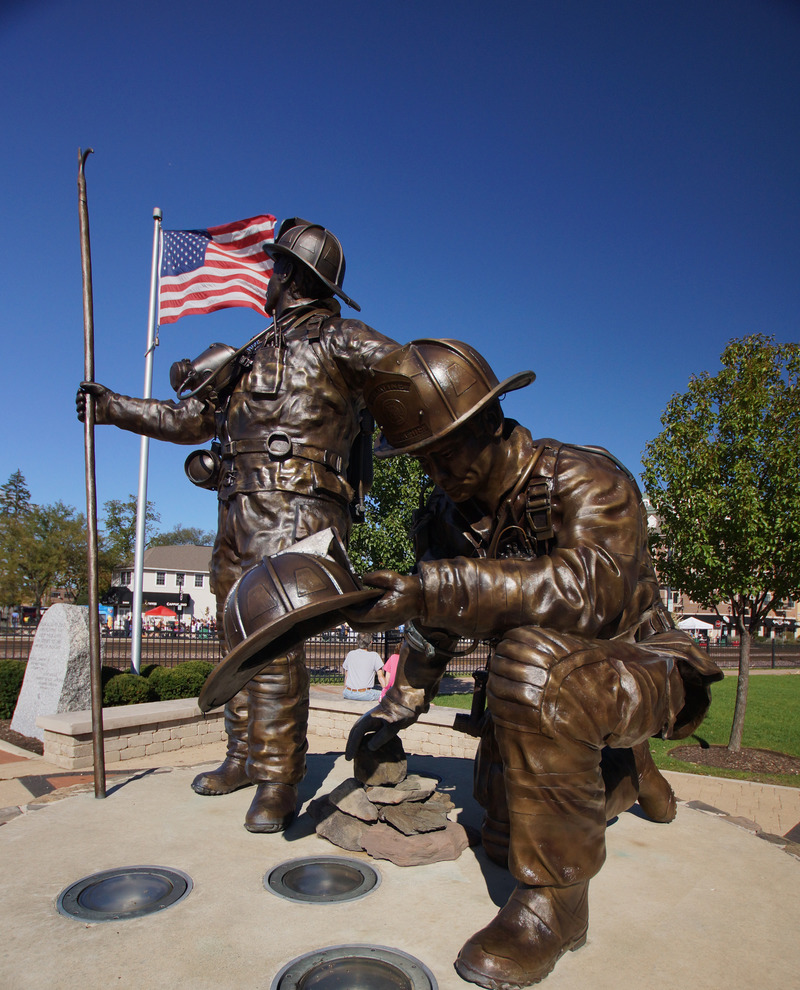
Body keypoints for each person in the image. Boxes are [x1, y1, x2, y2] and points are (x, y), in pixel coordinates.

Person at [344, 339, 723, 989]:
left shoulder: (587, 478)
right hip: (558, 677)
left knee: (529, 668)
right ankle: (626, 773)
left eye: (445, 450)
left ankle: (557, 907)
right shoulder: (443, 518)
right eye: (421, 458)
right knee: (500, 824)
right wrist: (400, 703)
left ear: (490, 424)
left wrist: (438, 588)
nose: (434, 471)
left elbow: (590, 592)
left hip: (642, 663)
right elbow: (433, 620)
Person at [77, 219, 397, 833]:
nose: (266, 279)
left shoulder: (340, 339)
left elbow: (409, 376)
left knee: (270, 643)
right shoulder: (247, 353)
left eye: (274, 269)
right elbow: (191, 419)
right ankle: (244, 756)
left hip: (301, 509)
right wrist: (113, 407)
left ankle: (280, 779)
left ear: (291, 277)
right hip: (234, 514)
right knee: (235, 640)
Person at [342, 633, 386, 701]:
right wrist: (386, 691)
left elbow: (346, 675)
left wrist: (345, 689)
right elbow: (380, 677)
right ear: (370, 643)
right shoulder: (374, 655)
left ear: (357, 642)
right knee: (384, 694)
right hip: (364, 694)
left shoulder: (350, 654)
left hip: (348, 692)